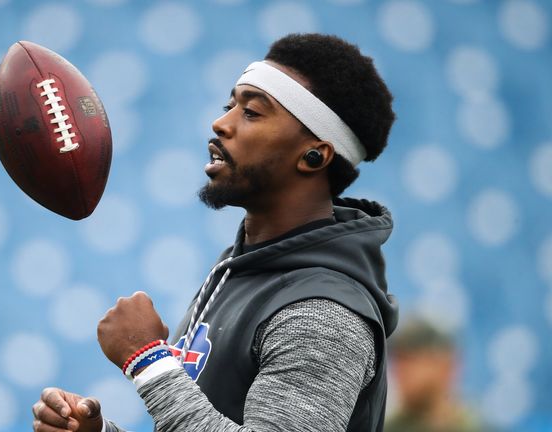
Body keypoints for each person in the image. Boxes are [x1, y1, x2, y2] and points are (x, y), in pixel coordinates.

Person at [32, 33, 398, 432]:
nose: (221, 123)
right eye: (229, 106)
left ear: (315, 156)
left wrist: (149, 360)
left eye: (252, 113)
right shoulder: (237, 269)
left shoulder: (322, 312)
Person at [385, 319, 484, 432]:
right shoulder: (383, 427)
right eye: (397, 360)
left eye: (410, 359)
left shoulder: (476, 426)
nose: (399, 371)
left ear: (446, 366)